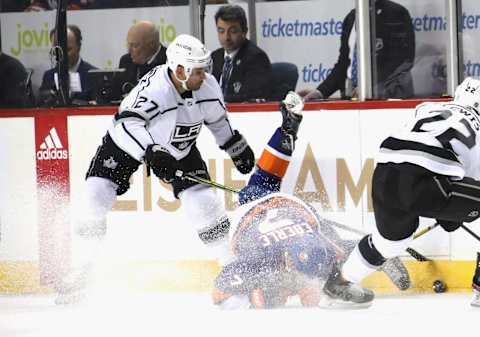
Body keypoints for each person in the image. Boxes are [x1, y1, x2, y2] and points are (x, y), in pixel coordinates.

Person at [55, 34, 255, 305]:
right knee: (94, 195)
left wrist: (234, 146)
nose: (204, 75)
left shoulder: (208, 87)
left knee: (204, 202)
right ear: (179, 70)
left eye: (204, 69)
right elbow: (127, 123)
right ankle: (82, 269)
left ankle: (232, 269)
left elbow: (217, 120)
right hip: (128, 143)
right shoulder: (154, 89)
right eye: (197, 70)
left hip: (178, 147)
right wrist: (150, 149)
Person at [212, 92, 410, 309]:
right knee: (265, 183)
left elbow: (221, 291)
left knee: (265, 181)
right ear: (288, 261)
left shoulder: (318, 247)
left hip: (287, 210)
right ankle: (288, 129)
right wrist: (255, 293)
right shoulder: (262, 263)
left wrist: (382, 255)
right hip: (264, 211)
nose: (308, 283)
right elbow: (220, 291)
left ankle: (288, 129)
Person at [331, 77, 480, 307]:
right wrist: (452, 216)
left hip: (385, 170)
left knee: (390, 243)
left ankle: (339, 284)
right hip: (425, 177)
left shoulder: (429, 107)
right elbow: (454, 214)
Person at [299, 0, 415, 101]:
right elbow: (343, 65)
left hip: (383, 98)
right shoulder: (351, 17)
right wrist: (320, 92)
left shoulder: (396, 14)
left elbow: (400, 62)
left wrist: (367, 89)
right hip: (351, 98)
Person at [211, 5, 273, 103]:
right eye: (221, 31)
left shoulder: (256, 58)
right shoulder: (214, 57)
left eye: (233, 31)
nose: (226, 37)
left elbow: (249, 96)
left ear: (244, 31)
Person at [39, 25, 97, 105]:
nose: (62, 54)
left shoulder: (93, 75)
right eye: (58, 49)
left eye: (68, 49)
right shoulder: (49, 76)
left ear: (78, 47)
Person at [110, 20, 167, 100]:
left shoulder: (170, 62)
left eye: (134, 46)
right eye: (128, 44)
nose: (129, 51)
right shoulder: (126, 61)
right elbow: (116, 95)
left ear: (151, 44)